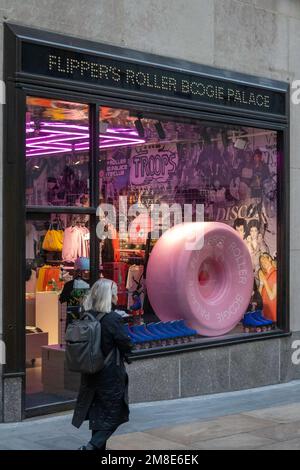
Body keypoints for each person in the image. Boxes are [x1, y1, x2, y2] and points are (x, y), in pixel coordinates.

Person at [72, 278, 133, 451]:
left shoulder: (85, 315)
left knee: (99, 416)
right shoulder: (113, 319)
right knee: (116, 414)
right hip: (110, 375)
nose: (116, 296)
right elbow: (125, 343)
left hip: (90, 373)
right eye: (114, 293)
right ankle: (91, 446)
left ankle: (97, 448)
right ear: (109, 296)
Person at [258, 253, 277, 322]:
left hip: (273, 314)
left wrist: (264, 280)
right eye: (261, 262)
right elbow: (260, 296)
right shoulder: (265, 275)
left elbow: (272, 297)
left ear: (270, 259)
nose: (263, 263)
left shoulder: (276, 273)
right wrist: (261, 282)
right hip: (265, 312)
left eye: (264, 260)